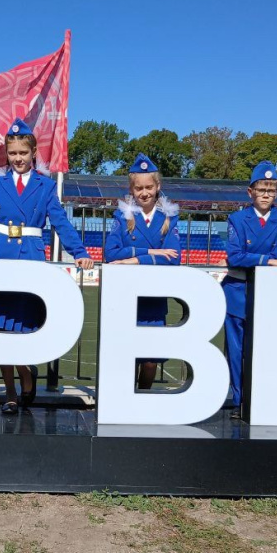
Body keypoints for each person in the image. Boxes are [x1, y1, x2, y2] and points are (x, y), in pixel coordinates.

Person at [0, 118, 94, 414]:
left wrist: (79, 252)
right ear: (6, 154)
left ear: (33, 153)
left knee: (24, 327)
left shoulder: (46, 186)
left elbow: (61, 222)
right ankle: (10, 390)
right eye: (12, 153)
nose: (18, 158)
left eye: (23, 153)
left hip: (30, 259)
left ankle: (26, 371)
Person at [223, 160, 277, 420]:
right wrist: (268, 261)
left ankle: (265, 398)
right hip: (237, 292)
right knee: (236, 351)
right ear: (250, 192)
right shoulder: (237, 219)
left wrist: (255, 258)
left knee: (268, 349)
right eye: (261, 189)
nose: (266, 195)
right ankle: (240, 400)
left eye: (271, 190)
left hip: (268, 294)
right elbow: (235, 256)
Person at [104, 153, 181, 390]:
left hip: (155, 297)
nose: (144, 193)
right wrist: (151, 252)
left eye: (149, 187)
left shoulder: (170, 217)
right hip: (127, 297)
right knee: (126, 356)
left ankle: (143, 397)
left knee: (150, 361)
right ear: (132, 189)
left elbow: (174, 258)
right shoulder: (122, 216)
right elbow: (111, 253)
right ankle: (125, 398)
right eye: (139, 188)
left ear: (158, 187)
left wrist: (135, 260)